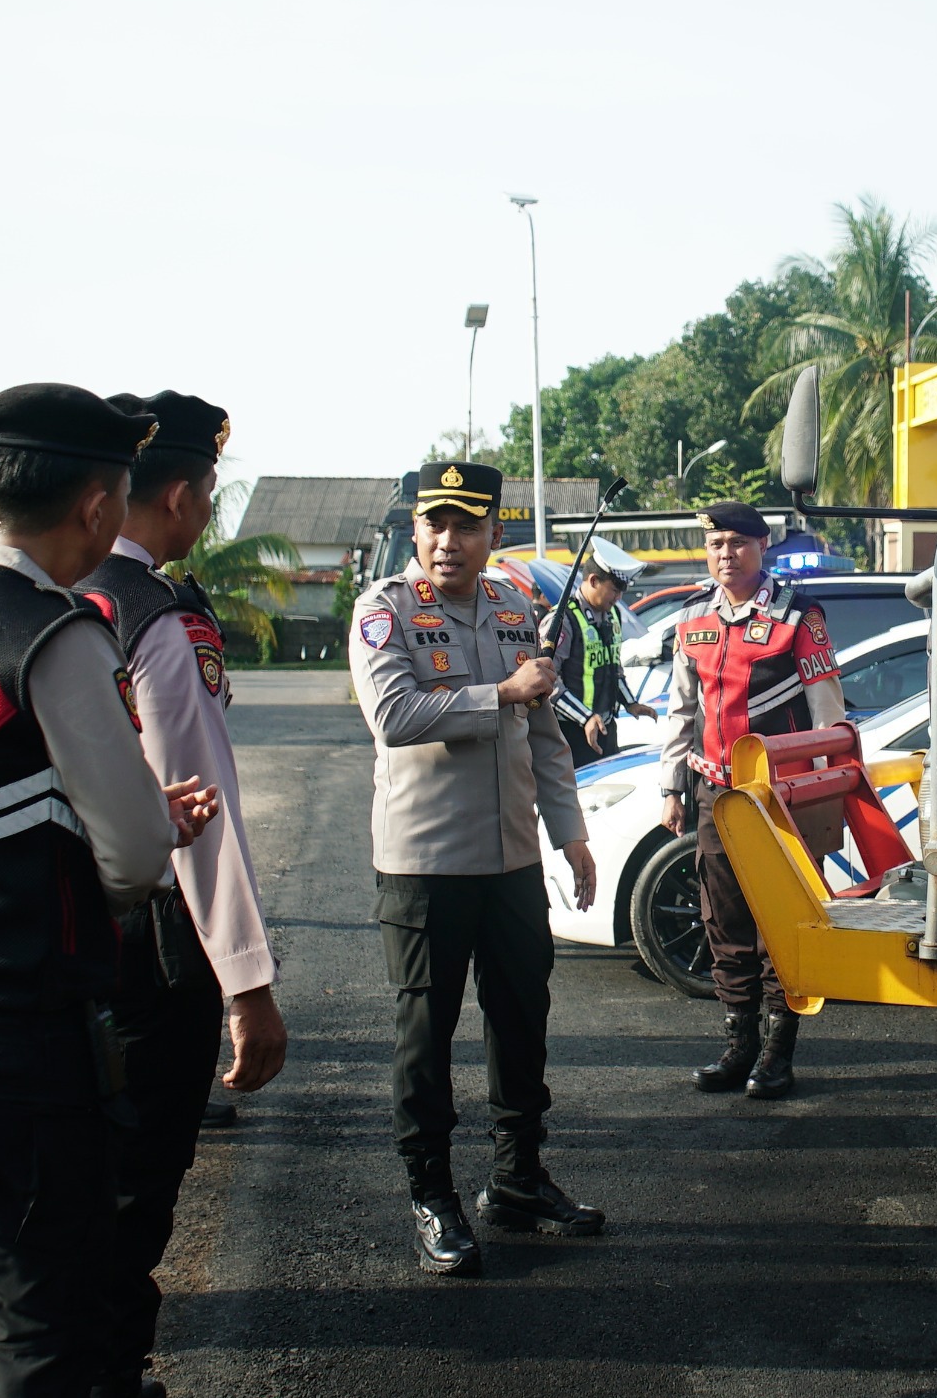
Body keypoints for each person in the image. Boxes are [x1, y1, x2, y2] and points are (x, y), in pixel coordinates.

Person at [0, 384, 217, 1397]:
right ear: (100, 507)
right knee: (46, 1330)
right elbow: (135, 858)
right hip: (11, 1034)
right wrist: (151, 825)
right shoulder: (51, 636)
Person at [76, 390, 285, 1398]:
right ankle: (106, 1369)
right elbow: (203, 811)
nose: (207, 510)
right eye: (206, 491)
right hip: (151, 941)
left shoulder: (44, 598)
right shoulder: (156, 614)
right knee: (136, 1179)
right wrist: (247, 980)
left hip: (44, 932)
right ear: (177, 493)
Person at [349, 461, 603, 1276]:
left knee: (522, 1019)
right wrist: (498, 692)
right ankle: (432, 1196)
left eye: (466, 525)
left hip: (513, 861)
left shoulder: (511, 605)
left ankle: (518, 1178)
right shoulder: (384, 609)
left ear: (495, 532)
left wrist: (571, 834)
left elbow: (547, 735)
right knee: (426, 1033)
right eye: (434, 524)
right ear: (415, 530)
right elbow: (394, 716)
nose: (448, 541)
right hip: (426, 864)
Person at [656, 501, 845, 1099]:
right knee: (725, 920)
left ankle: (777, 1051)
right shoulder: (692, 618)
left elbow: (827, 706)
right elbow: (681, 709)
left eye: (737, 543)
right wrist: (670, 788)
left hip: (779, 795)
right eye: (715, 545)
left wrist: (823, 788)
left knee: (780, 923)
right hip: (715, 792)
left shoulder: (799, 615)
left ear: (762, 547)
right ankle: (738, 1044)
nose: (725, 555)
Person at [543, 554, 657, 767]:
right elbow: (547, 681)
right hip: (570, 732)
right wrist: (585, 717)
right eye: (614, 590)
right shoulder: (562, 619)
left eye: (622, 591)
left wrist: (630, 703)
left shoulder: (612, 614)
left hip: (604, 727)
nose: (618, 598)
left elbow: (614, 666)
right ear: (594, 581)